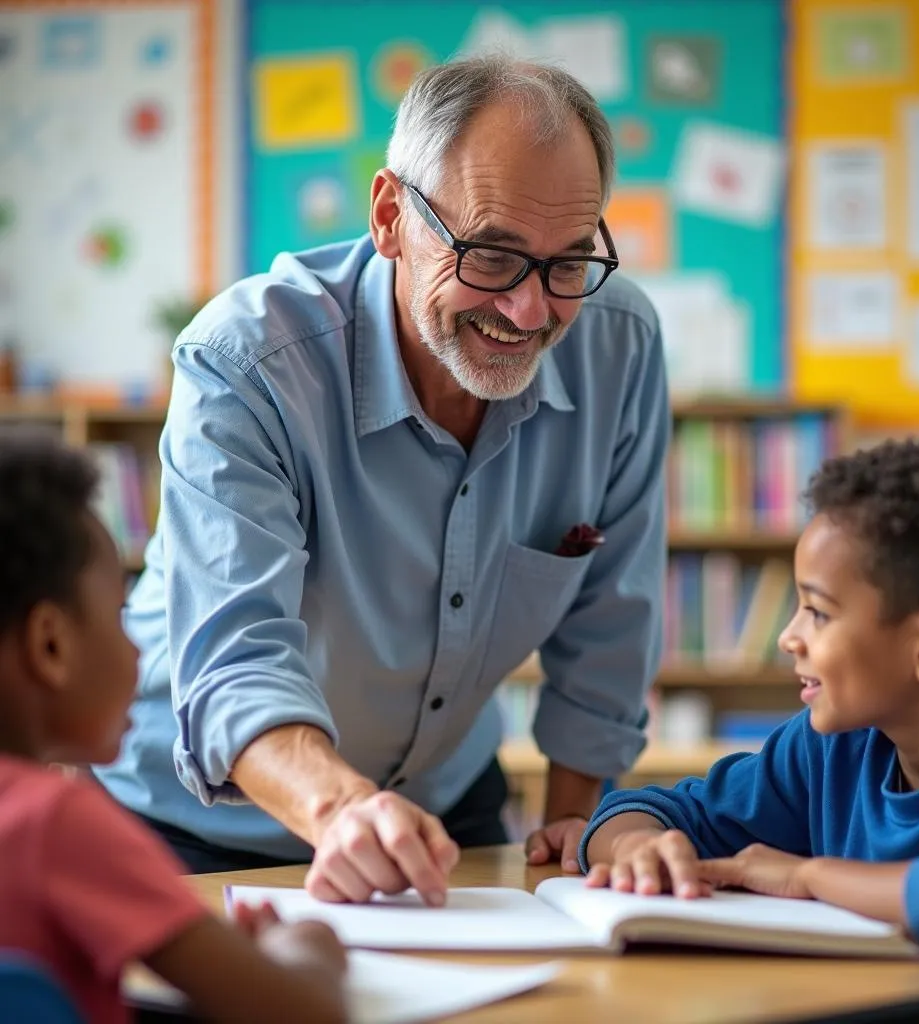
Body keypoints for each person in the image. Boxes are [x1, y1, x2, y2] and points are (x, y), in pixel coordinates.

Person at [95, 54, 669, 899]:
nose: (530, 310)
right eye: (494, 255)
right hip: (197, 819)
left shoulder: (619, 345)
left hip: (432, 803)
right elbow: (234, 659)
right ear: (391, 216)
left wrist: (572, 844)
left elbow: (610, 626)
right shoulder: (248, 362)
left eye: (569, 262)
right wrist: (340, 812)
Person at [579, 435, 919, 957]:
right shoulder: (831, 748)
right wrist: (638, 845)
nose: (788, 637)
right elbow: (649, 809)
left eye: (818, 612)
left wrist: (807, 876)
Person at [0, 438, 350, 1023]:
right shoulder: (60, 826)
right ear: (51, 644)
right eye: (119, 613)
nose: (139, 651)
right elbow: (304, 1013)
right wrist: (305, 948)